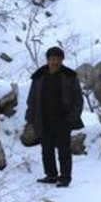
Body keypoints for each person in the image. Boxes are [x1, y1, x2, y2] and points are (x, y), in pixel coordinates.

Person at [25, 46, 83, 188]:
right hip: (43, 119)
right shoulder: (39, 76)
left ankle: (65, 177)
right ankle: (51, 175)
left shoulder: (70, 76)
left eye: (58, 59)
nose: (55, 62)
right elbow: (32, 98)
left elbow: (78, 99)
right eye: (52, 59)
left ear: (62, 60)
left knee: (64, 150)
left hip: (64, 120)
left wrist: (72, 117)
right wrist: (30, 118)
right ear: (48, 60)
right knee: (46, 150)